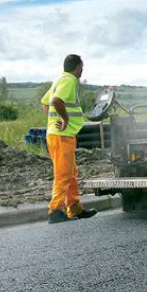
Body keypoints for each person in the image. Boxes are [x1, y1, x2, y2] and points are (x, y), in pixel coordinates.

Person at [41, 54, 97, 224]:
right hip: (62, 136)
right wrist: (64, 119)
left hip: (58, 135)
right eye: (82, 67)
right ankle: (55, 210)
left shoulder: (59, 79)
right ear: (78, 67)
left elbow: (45, 102)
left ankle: (74, 208)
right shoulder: (70, 80)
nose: (82, 71)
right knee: (64, 174)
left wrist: (52, 121)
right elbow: (57, 101)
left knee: (71, 173)